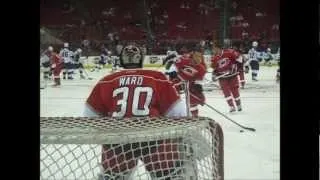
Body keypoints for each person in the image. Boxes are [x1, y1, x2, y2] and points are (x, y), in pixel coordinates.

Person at [84, 45, 188, 179]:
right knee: (167, 176)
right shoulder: (157, 77)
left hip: (117, 141)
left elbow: (89, 116)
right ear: (141, 59)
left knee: (113, 177)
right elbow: (179, 113)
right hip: (154, 139)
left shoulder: (107, 80)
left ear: (121, 59)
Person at [163, 48, 207, 117]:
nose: (198, 59)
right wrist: (169, 59)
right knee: (170, 90)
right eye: (196, 57)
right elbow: (173, 61)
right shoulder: (184, 61)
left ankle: (194, 116)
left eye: (200, 57)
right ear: (191, 57)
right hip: (180, 80)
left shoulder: (201, 68)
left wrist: (197, 87)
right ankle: (169, 109)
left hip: (191, 84)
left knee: (194, 100)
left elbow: (198, 81)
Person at [211, 42, 243, 112]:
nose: (213, 50)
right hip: (222, 77)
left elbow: (239, 58)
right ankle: (231, 106)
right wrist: (213, 75)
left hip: (232, 75)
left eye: (214, 48)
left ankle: (238, 105)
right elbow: (215, 69)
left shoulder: (229, 53)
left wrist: (238, 67)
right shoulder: (214, 58)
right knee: (226, 92)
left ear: (218, 48)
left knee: (235, 91)